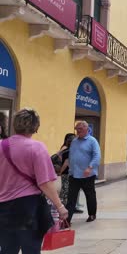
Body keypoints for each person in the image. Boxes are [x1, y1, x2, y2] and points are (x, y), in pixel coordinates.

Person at [0, 108, 68, 253]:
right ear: (35, 127)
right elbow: (45, 183)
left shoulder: (1, 146)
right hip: (28, 207)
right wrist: (60, 206)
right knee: (31, 249)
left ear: (14, 125)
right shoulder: (37, 148)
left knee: (7, 249)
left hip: (3, 206)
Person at [66, 121, 101, 223]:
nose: (78, 131)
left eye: (80, 129)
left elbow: (97, 156)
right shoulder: (74, 141)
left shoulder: (92, 141)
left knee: (90, 195)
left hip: (87, 175)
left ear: (86, 129)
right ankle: (67, 219)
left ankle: (92, 214)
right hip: (74, 174)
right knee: (71, 197)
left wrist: (90, 167)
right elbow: (71, 155)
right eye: (76, 129)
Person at [58, 133, 76, 206]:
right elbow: (66, 162)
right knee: (66, 191)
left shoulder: (66, 151)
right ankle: (65, 207)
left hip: (67, 173)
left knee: (65, 191)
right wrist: (60, 172)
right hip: (68, 173)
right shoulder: (69, 151)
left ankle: (66, 206)